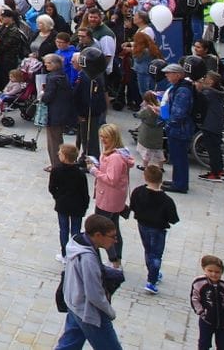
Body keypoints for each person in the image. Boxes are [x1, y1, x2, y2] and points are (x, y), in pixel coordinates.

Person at [54, 213, 124, 350]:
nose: (115, 240)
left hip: (74, 304)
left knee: (69, 345)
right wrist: (110, 312)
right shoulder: (88, 259)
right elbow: (94, 295)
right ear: (98, 235)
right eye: (112, 236)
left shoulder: (76, 243)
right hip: (89, 312)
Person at [127, 162, 180, 294]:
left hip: (142, 225)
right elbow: (173, 218)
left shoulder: (138, 191)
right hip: (158, 228)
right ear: (161, 180)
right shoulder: (166, 200)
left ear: (145, 178)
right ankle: (152, 280)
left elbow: (132, 207)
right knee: (156, 254)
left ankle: (153, 272)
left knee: (148, 250)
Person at [85, 124, 131, 271]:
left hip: (108, 199)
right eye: (102, 137)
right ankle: (116, 260)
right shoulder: (115, 153)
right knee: (114, 228)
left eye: (106, 137)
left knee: (103, 231)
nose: (103, 140)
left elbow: (112, 179)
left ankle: (114, 260)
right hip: (112, 198)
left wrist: (94, 171)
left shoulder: (116, 157)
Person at [49, 142, 91, 259]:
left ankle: (64, 254)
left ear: (64, 156)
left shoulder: (56, 170)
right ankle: (75, 253)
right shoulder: (80, 173)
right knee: (76, 231)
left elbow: (52, 188)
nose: (58, 154)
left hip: (62, 204)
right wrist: (85, 205)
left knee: (63, 229)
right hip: (77, 206)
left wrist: (58, 197)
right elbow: (84, 192)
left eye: (60, 153)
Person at [162, 63, 195, 193]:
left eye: (169, 73)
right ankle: (177, 180)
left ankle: (180, 184)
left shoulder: (183, 91)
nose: (166, 75)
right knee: (176, 157)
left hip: (180, 130)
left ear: (178, 75)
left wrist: (168, 124)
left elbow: (178, 113)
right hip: (178, 128)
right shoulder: (178, 87)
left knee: (179, 157)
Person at [192, 254, 224, 350]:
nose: (213, 274)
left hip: (223, 323)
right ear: (204, 269)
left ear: (221, 272)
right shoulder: (199, 283)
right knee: (203, 343)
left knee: (222, 345)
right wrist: (202, 313)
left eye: (217, 272)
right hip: (206, 321)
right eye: (210, 271)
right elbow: (195, 299)